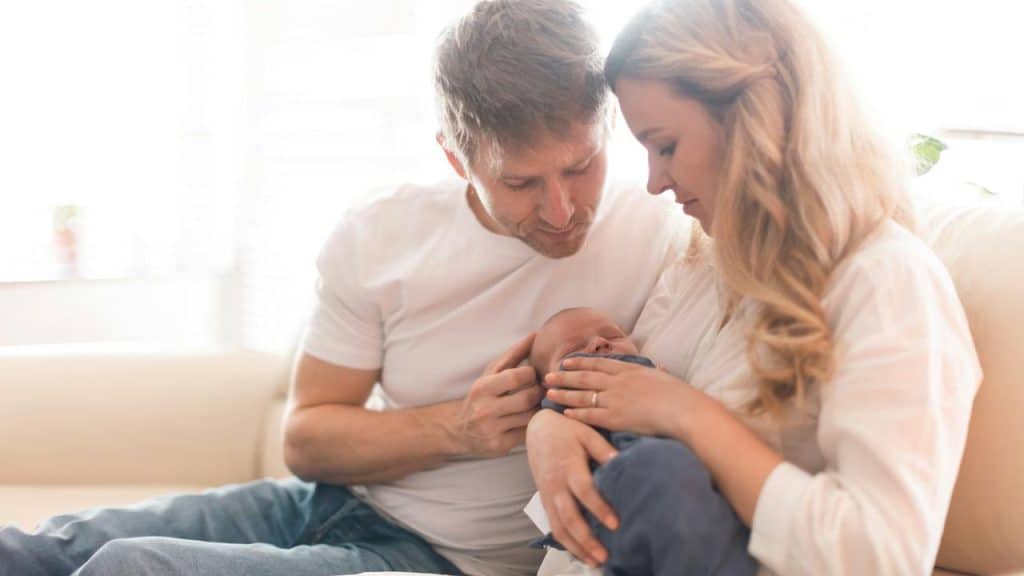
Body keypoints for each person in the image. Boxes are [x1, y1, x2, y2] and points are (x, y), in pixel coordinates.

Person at [0, 2, 683, 576]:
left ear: (608, 127)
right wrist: (459, 428)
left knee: (129, 568)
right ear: (456, 159)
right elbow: (306, 440)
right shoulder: (381, 232)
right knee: (33, 552)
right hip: (328, 502)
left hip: (436, 560)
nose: (562, 210)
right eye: (521, 182)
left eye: (581, 165)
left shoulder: (661, 231)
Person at [526, 0, 983, 575]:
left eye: (665, 146)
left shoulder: (887, 284)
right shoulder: (703, 261)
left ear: (754, 122)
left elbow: (880, 555)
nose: (653, 182)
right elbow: (624, 400)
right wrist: (549, 429)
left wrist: (689, 415)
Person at [527, 307, 756, 575]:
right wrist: (545, 419)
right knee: (659, 469)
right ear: (547, 388)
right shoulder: (562, 403)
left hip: (678, 484)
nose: (599, 342)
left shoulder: (649, 373)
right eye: (573, 351)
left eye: (612, 335)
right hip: (612, 488)